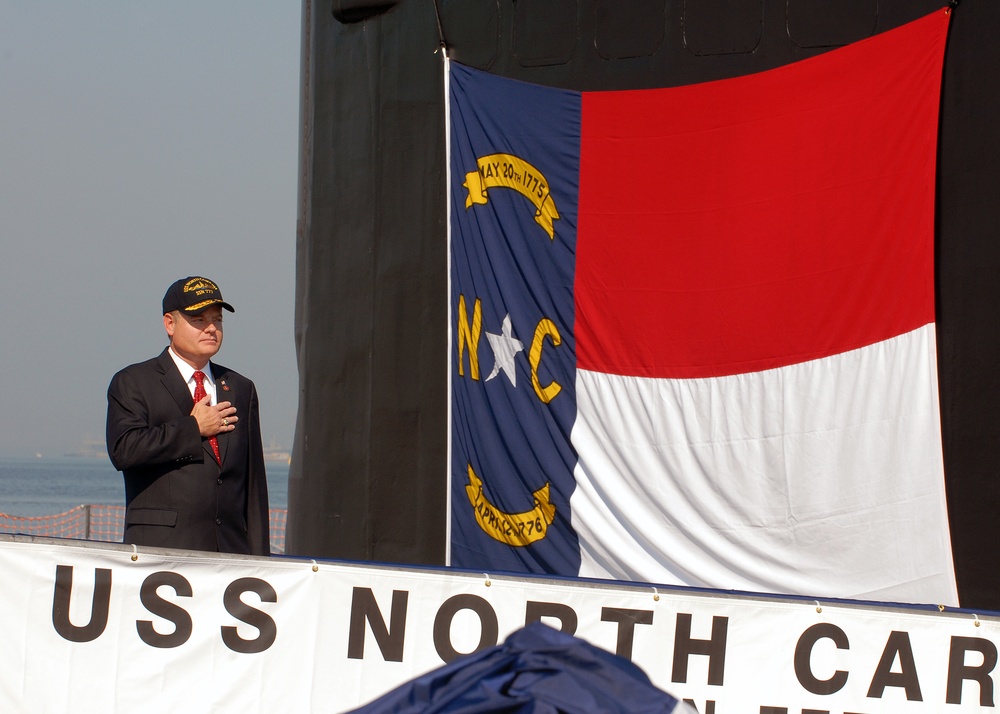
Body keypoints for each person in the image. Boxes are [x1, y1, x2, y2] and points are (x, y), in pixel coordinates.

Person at [106, 276, 270, 555]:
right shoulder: (134, 381)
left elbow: (253, 486)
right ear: (169, 323)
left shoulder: (241, 387)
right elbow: (124, 450)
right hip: (160, 553)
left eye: (217, 320)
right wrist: (193, 428)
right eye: (198, 320)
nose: (211, 329)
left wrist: (261, 562)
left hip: (230, 554)